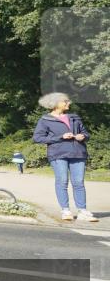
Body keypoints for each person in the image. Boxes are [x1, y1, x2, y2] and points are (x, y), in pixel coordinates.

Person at [32, 93, 97, 222]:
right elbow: (37, 138)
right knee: (62, 182)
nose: (69, 103)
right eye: (65, 101)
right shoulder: (45, 120)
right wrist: (60, 137)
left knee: (79, 183)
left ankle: (82, 211)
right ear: (56, 104)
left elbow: (85, 133)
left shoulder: (74, 118)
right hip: (58, 154)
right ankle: (66, 210)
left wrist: (83, 136)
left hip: (78, 153)